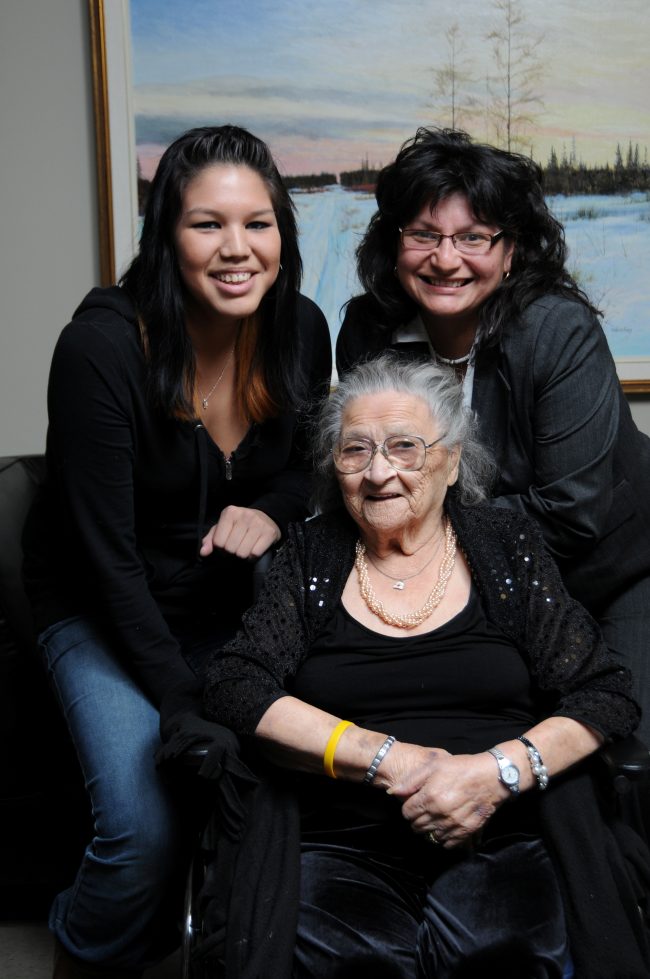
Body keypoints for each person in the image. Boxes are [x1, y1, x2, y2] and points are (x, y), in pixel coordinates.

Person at [203, 355, 650, 979]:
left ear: (451, 461)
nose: (379, 472)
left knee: (506, 958)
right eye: (355, 450)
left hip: (500, 830)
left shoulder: (504, 545)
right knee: (354, 966)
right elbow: (236, 684)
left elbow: (603, 692)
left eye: (404, 447)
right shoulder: (311, 552)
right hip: (342, 838)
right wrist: (388, 758)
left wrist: (495, 775)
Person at [23, 124, 331, 978]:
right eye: (207, 224)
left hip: (231, 599)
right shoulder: (102, 349)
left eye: (259, 223)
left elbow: (311, 470)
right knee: (144, 831)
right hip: (102, 602)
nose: (238, 249)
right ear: (166, 234)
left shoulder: (301, 330)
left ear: (283, 235)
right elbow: (102, 554)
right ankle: (82, 949)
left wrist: (270, 508)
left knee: (296, 795)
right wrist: (180, 700)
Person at [336, 128, 650, 742]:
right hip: (471, 579)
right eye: (423, 234)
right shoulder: (368, 332)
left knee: (622, 752)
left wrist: (417, 528)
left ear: (510, 253)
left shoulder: (558, 329)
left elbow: (571, 514)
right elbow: (369, 482)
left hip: (609, 572)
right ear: (393, 244)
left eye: (473, 237)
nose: (445, 259)